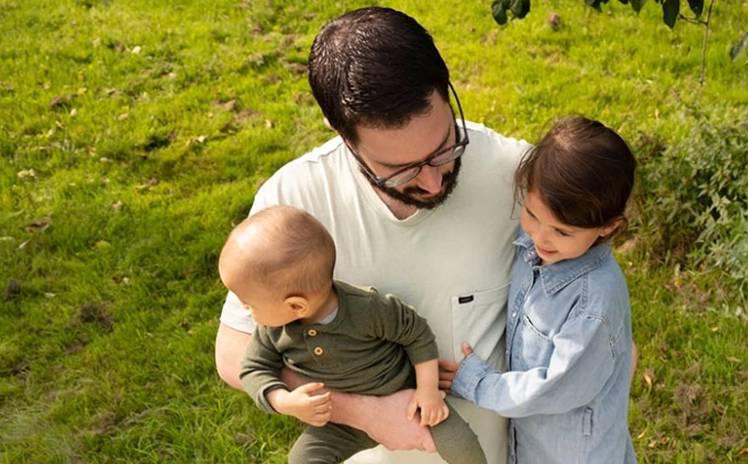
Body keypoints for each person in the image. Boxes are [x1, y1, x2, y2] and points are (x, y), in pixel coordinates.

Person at [214, 6, 532, 463]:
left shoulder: (517, 179)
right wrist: (363, 412)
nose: (433, 182)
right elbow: (234, 350)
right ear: (341, 134)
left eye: (444, 148)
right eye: (400, 169)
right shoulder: (294, 199)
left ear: (447, 90)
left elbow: (594, 322)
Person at [218, 205, 486, 464]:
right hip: (342, 423)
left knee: (459, 442)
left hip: (406, 396)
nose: (245, 309)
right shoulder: (272, 331)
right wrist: (283, 400)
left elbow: (416, 334)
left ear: (296, 306)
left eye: (248, 303)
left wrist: (427, 391)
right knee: (303, 458)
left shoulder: (367, 308)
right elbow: (253, 368)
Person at [450, 117, 638, 463]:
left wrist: (477, 383)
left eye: (563, 232)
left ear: (608, 227)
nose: (541, 238)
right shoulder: (532, 249)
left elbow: (556, 386)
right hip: (535, 446)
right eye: (532, 215)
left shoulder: (591, 302)